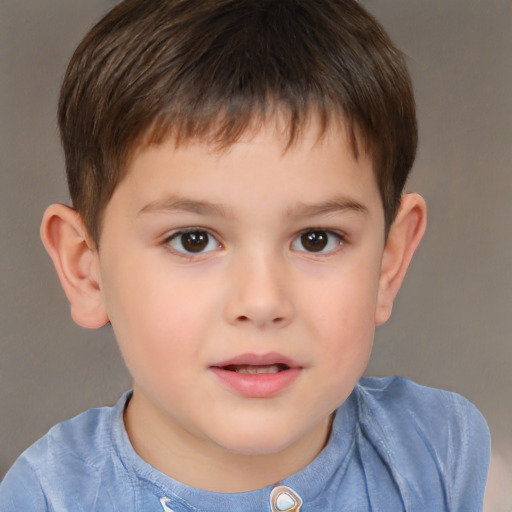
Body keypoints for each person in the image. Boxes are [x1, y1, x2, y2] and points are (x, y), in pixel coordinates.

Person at [0, 0, 490, 510]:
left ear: (388, 263)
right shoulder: (50, 496)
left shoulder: (438, 449)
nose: (261, 301)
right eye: (193, 239)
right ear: (87, 269)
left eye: (316, 239)